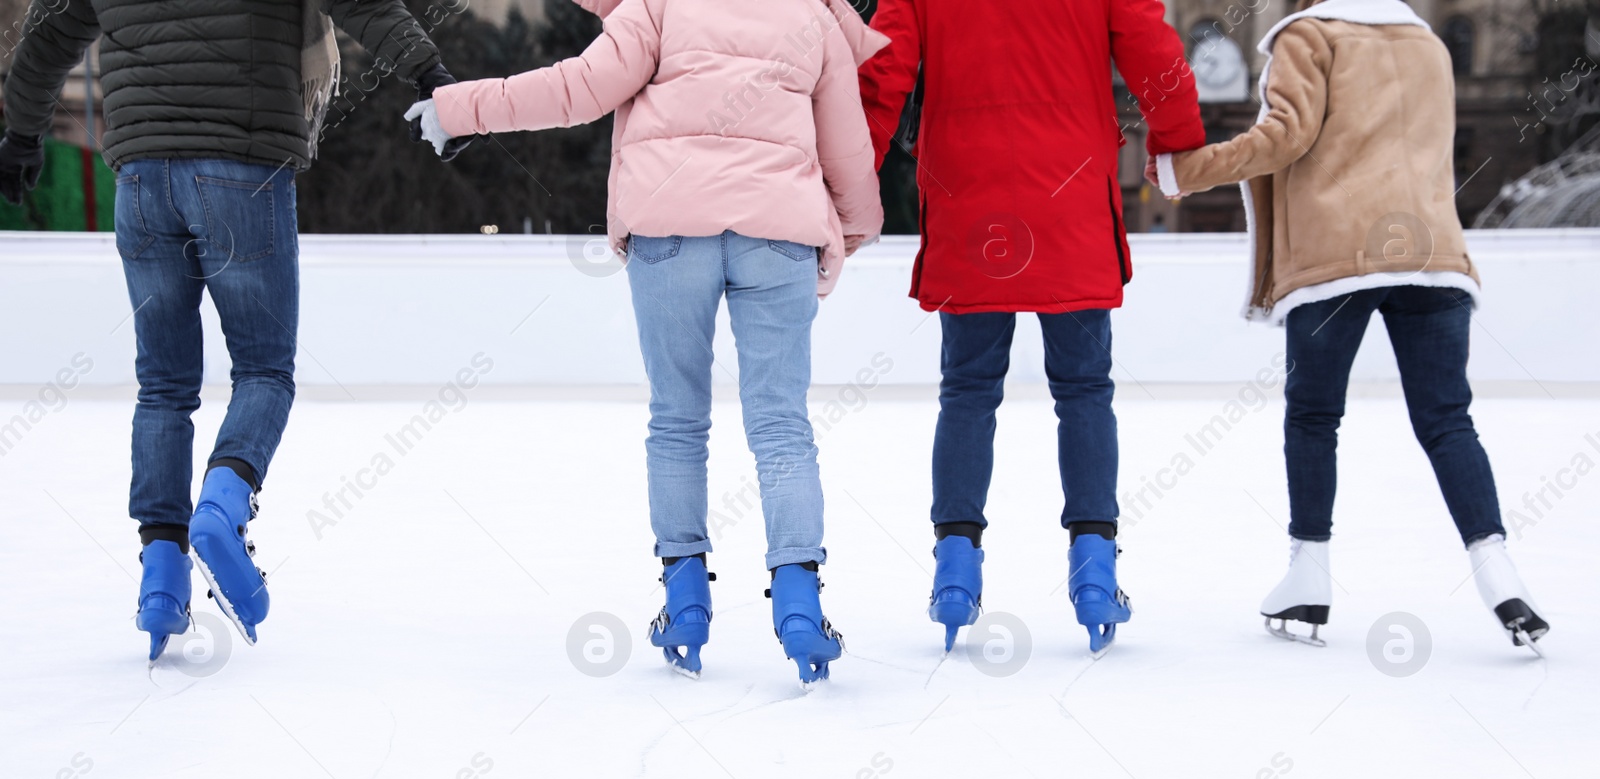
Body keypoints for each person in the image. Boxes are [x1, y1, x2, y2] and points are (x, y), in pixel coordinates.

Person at [408, 0, 886, 686]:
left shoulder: (658, 5)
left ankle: (685, 600)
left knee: (677, 420)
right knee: (782, 424)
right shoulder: (810, 11)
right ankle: (800, 603)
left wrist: (459, 108)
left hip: (671, 226)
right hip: (779, 233)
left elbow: (575, 89)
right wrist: (851, 229)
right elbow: (847, 147)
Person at [0, 0, 473, 660]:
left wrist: (23, 136)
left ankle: (162, 579)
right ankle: (222, 508)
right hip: (242, 164)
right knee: (263, 369)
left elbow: (48, 39)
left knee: (162, 386)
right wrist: (430, 72)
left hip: (140, 174)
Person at [1152, 0, 1550, 651]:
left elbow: (1285, 135)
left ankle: (1309, 577)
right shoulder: (1429, 45)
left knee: (1313, 416)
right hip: (1432, 251)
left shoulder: (1309, 36)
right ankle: (1499, 571)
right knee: (1448, 419)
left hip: (1337, 257)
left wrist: (1184, 168)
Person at [857, 0, 1205, 655]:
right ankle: (1095, 569)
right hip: (1070, 194)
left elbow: (883, 71)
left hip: (969, 193)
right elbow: (1154, 54)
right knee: (1084, 389)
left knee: (966, 388)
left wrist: (854, 175)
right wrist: (1177, 143)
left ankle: (955, 569)